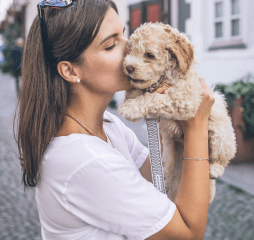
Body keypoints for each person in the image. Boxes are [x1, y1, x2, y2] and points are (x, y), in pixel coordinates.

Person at [16, 0, 215, 239]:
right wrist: (196, 126)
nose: (129, 47)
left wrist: (171, 107)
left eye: (124, 34)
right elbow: (188, 234)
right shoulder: (86, 160)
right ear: (70, 71)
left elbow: (156, 177)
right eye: (111, 45)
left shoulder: (107, 126)